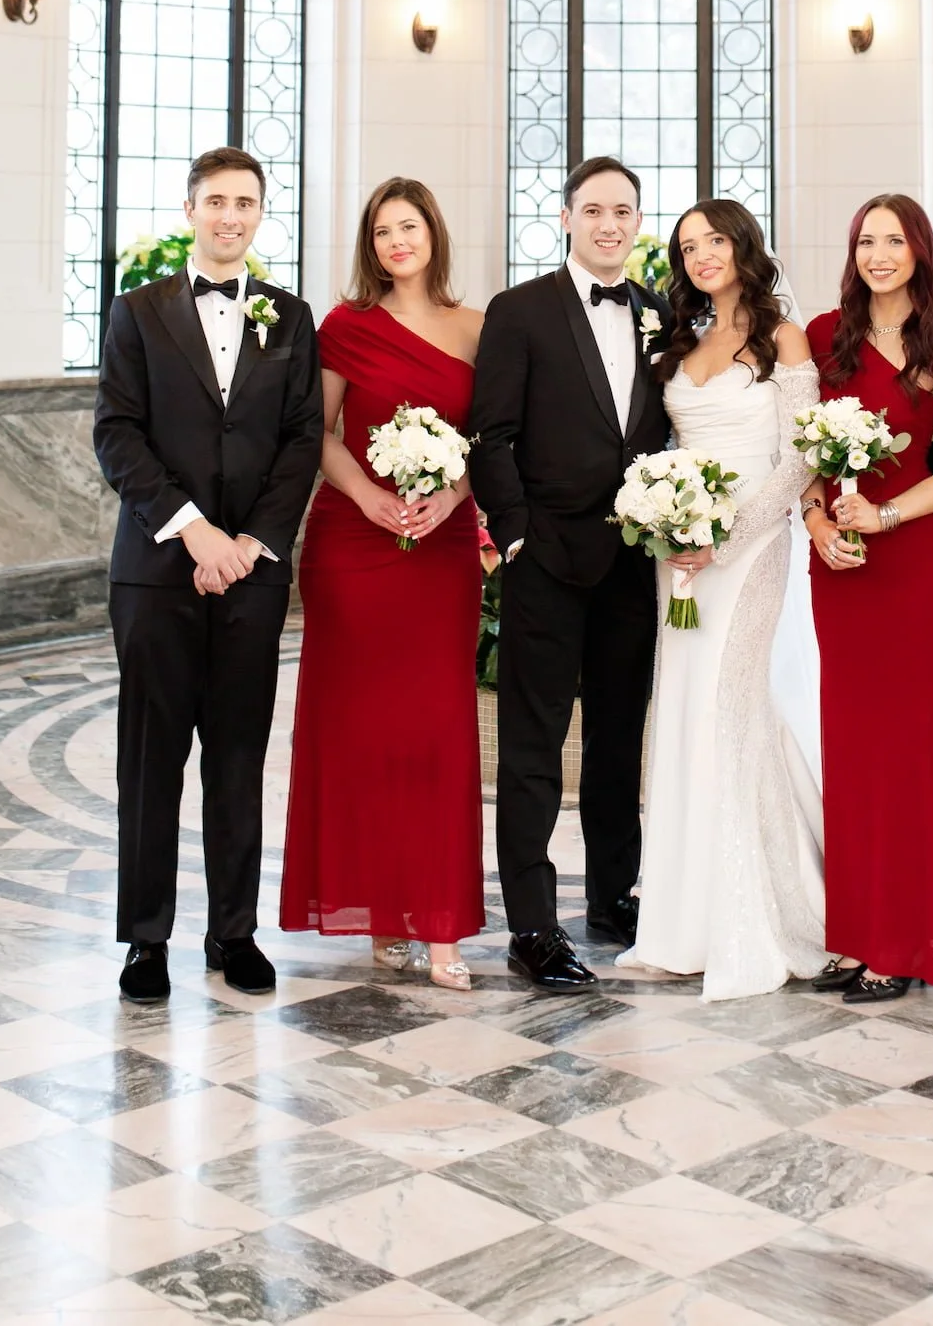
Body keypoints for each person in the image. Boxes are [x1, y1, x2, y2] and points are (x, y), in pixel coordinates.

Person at [94, 148, 323, 1002]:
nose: (231, 216)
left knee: (237, 756)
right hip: (157, 571)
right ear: (190, 208)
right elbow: (117, 434)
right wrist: (195, 535)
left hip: (252, 576)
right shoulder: (137, 312)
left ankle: (234, 931)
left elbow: (302, 441)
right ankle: (145, 938)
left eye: (247, 203)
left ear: (262, 215)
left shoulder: (290, 319)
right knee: (150, 761)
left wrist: (250, 545)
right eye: (217, 201)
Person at [280, 179, 485, 991]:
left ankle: (440, 926)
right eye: (382, 231)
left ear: (433, 232)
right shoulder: (345, 326)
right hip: (350, 549)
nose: (398, 241)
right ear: (370, 245)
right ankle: (374, 913)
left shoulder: (477, 328)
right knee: (357, 734)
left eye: (409, 226)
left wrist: (453, 497)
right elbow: (316, 433)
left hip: (437, 554)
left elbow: (490, 439)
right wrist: (367, 494)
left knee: (435, 734)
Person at [469, 157, 670, 989]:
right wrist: (515, 537)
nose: (610, 226)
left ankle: (614, 896)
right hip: (546, 561)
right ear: (564, 218)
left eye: (624, 212)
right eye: (594, 211)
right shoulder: (519, 311)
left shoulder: (663, 315)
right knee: (532, 747)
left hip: (635, 564)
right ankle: (533, 924)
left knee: (621, 743)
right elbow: (490, 436)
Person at [618, 201, 825, 999]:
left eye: (713, 240)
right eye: (686, 246)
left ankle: (760, 912)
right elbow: (667, 447)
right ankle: (680, 919)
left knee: (730, 714)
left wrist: (725, 539)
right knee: (682, 715)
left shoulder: (785, 339)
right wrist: (670, 522)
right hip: (681, 557)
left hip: (752, 552)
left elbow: (800, 460)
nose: (700, 255)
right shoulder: (682, 338)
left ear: (743, 245)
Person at [805, 195, 933, 1005]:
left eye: (895, 240)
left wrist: (887, 514)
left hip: (911, 564)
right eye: (866, 239)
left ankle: (907, 940)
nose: (879, 254)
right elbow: (802, 459)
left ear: (919, 251)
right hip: (840, 570)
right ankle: (854, 934)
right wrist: (817, 521)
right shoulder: (822, 339)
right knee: (851, 752)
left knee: (910, 756)